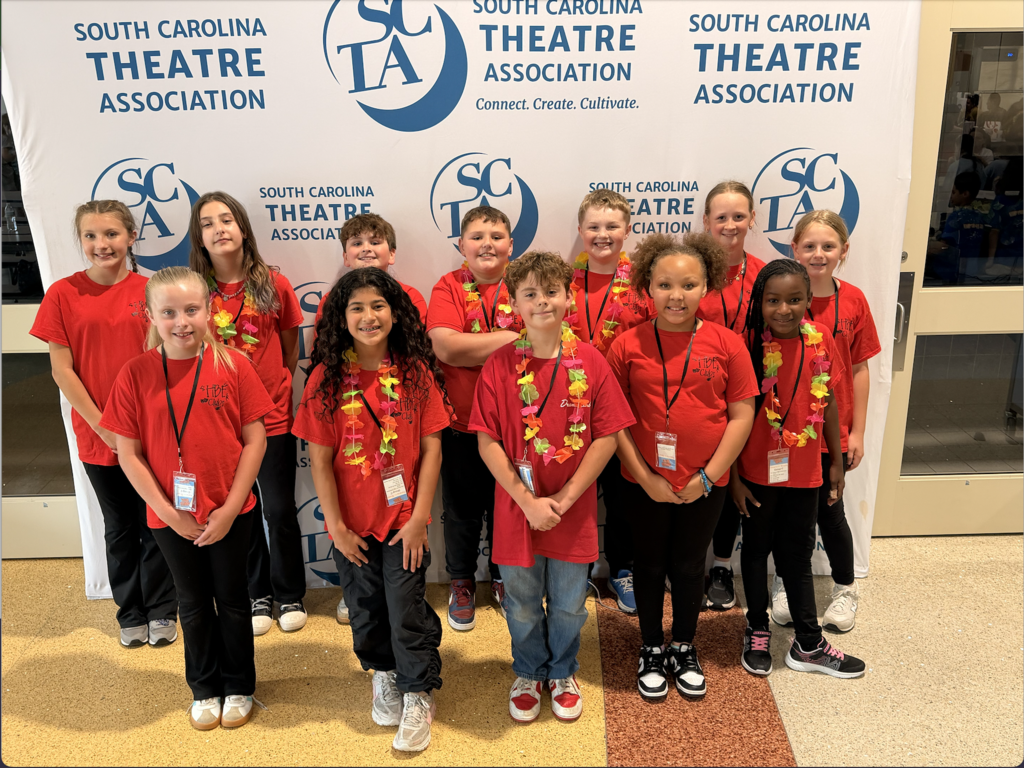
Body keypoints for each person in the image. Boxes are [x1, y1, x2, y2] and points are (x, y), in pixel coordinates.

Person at [100, 266, 274, 729]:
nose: (182, 321)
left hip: (231, 513)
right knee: (192, 603)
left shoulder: (234, 365)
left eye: (192, 310)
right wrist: (167, 512)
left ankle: (239, 684)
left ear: (209, 311)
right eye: (170, 312)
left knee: (233, 600)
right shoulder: (135, 374)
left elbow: (255, 440)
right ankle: (204, 686)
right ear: (152, 317)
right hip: (171, 518)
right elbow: (128, 453)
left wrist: (232, 507)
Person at [470, 250, 634, 722]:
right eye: (530, 294)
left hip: (572, 509)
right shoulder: (500, 365)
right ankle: (528, 669)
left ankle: (562, 670)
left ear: (569, 297)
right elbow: (487, 442)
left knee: (568, 605)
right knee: (520, 605)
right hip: (516, 509)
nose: (542, 301)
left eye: (551, 292)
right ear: (514, 304)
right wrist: (527, 502)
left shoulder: (592, 361)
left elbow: (606, 437)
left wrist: (562, 499)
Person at [294, 268, 449, 752]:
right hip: (352, 525)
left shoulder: (414, 371)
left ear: (395, 313)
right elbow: (319, 458)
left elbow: (432, 448)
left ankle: (418, 689)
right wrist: (335, 526)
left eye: (378, 306)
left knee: (405, 607)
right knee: (364, 606)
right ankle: (382, 672)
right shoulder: (325, 378)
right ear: (341, 317)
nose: (368, 316)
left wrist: (421, 517)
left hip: (404, 521)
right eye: (356, 307)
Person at [608, 233, 758, 700]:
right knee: (650, 565)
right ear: (646, 287)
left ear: (707, 286)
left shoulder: (727, 344)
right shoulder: (625, 345)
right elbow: (613, 422)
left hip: (704, 483)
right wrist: (647, 477)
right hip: (643, 482)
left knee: (690, 566)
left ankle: (685, 646)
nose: (677, 295)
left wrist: (709, 476)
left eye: (688, 285)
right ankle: (652, 647)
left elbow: (742, 414)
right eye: (665, 284)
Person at [30, 200, 178, 649]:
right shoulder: (62, 293)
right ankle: (129, 612)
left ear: (131, 237)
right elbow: (62, 371)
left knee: (155, 521)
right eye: (91, 236)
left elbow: (161, 359)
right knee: (118, 526)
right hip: (97, 433)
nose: (101, 244)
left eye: (111, 234)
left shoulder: (152, 289)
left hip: (149, 431)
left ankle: (161, 610)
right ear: (81, 241)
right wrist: (105, 427)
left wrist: (136, 427)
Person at [731, 259, 865, 679]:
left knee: (797, 554)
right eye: (773, 300)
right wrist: (732, 477)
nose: (784, 309)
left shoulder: (820, 337)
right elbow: (730, 416)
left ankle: (808, 642)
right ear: (760, 302)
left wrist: (836, 462)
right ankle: (756, 628)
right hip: (755, 473)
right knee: (755, 550)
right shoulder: (746, 343)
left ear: (809, 300)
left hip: (806, 471)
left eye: (794, 300)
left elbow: (827, 405)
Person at [188, 191, 307, 637]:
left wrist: (268, 391)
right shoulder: (195, 291)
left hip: (270, 417)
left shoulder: (274, 284)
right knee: (240, 508)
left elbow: (291, 346)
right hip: (218, 421)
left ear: (242, 228)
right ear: (198, 238)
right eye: (207, 223)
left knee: (277, 507)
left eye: (226, 219)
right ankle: (256, 592)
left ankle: (289, 592)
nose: (219, 229)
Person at [779, 210, 881, 633]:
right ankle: (787, 584)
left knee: (831, 512)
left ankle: (844, 588)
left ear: (844, 251)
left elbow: (859, 368)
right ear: (793, 249)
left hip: (831, 433)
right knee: (789, 515)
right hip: (784, 427)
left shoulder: (853, 299)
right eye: (809, 246)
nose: (818, 254)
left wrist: (855, 432)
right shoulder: (780, 297)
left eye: (828, 246)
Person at [426, 205, 524, 631]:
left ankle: (502, 576)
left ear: (510, 245)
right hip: (461, 423)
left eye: (497, 235)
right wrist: (512, 339)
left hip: (520, 426)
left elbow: (547, 340)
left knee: (507, 505)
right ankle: (462, 581)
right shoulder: (447, 286)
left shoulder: (526, 284)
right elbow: (446, 348)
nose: (487, 243)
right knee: (462, 512)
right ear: (461, 245)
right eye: (477, 236)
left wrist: (474, 345)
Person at [571, 188, 654, 614]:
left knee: (623, 498)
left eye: (612, 226)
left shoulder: (644, 283)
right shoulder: (564, 282)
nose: (602, 235)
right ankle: (576, 572)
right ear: (581, 231)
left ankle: (622, 569)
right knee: (576, 494)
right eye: (594, 227)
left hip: (625, 412)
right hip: (568, 412)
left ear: (627, 229)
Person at [696, 181, 768, 612]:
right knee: (703, 471)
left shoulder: (766, 274)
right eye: (720, 217)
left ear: (752, 219)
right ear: (706, 222)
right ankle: (685, 562)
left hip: (752, 394)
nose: (729, 225)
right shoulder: (690, 271)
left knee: (739, 477)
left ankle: (722, 564)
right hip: (699, 391)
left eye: (738, 216)